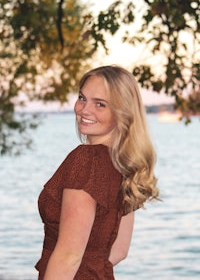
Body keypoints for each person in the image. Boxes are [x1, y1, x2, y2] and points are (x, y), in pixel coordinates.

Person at [35, 65, 159, 280]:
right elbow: (119, 250)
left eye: (100, 104)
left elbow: (69, 256)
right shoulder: (123, 164)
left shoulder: (87, 161)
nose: (84, 110)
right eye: (82, 98)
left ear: (122, 112)